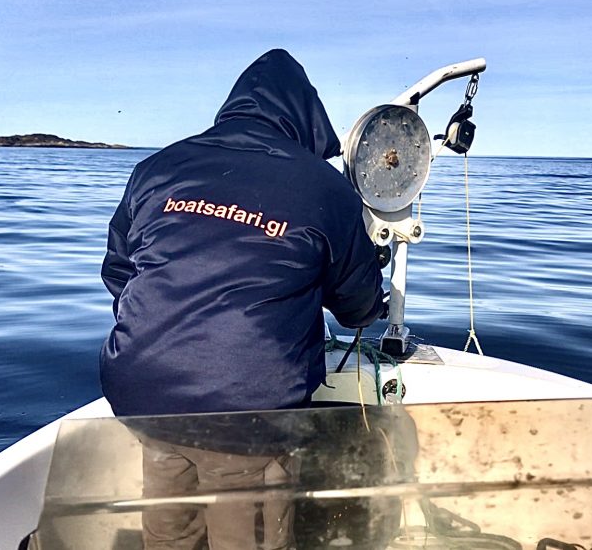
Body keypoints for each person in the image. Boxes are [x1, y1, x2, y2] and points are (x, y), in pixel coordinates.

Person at [99, 49, 385, 549]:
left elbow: (120, 273)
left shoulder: (157, 167)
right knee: (246, 533)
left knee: (170, 525)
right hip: (247, 406)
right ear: (305, 113)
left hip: (142, 389)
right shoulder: (324, 186)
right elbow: (356, 303)